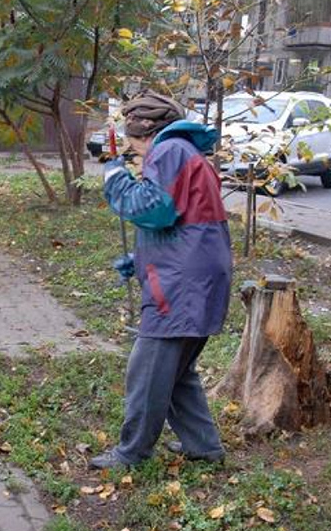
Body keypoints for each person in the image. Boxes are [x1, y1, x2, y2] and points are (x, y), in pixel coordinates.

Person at [90, 91, 233, 469]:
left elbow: (151, 209)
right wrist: (140, 260)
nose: (135, 154)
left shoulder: (169, 151)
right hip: (197, 276)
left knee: (149, 370)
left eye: (133, 144)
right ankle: (204, 446)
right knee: (176, 374)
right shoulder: (187, 153)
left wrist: (114, 174)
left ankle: (132, 452)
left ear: (144, 130)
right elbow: (187, 224)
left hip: (181, 285)